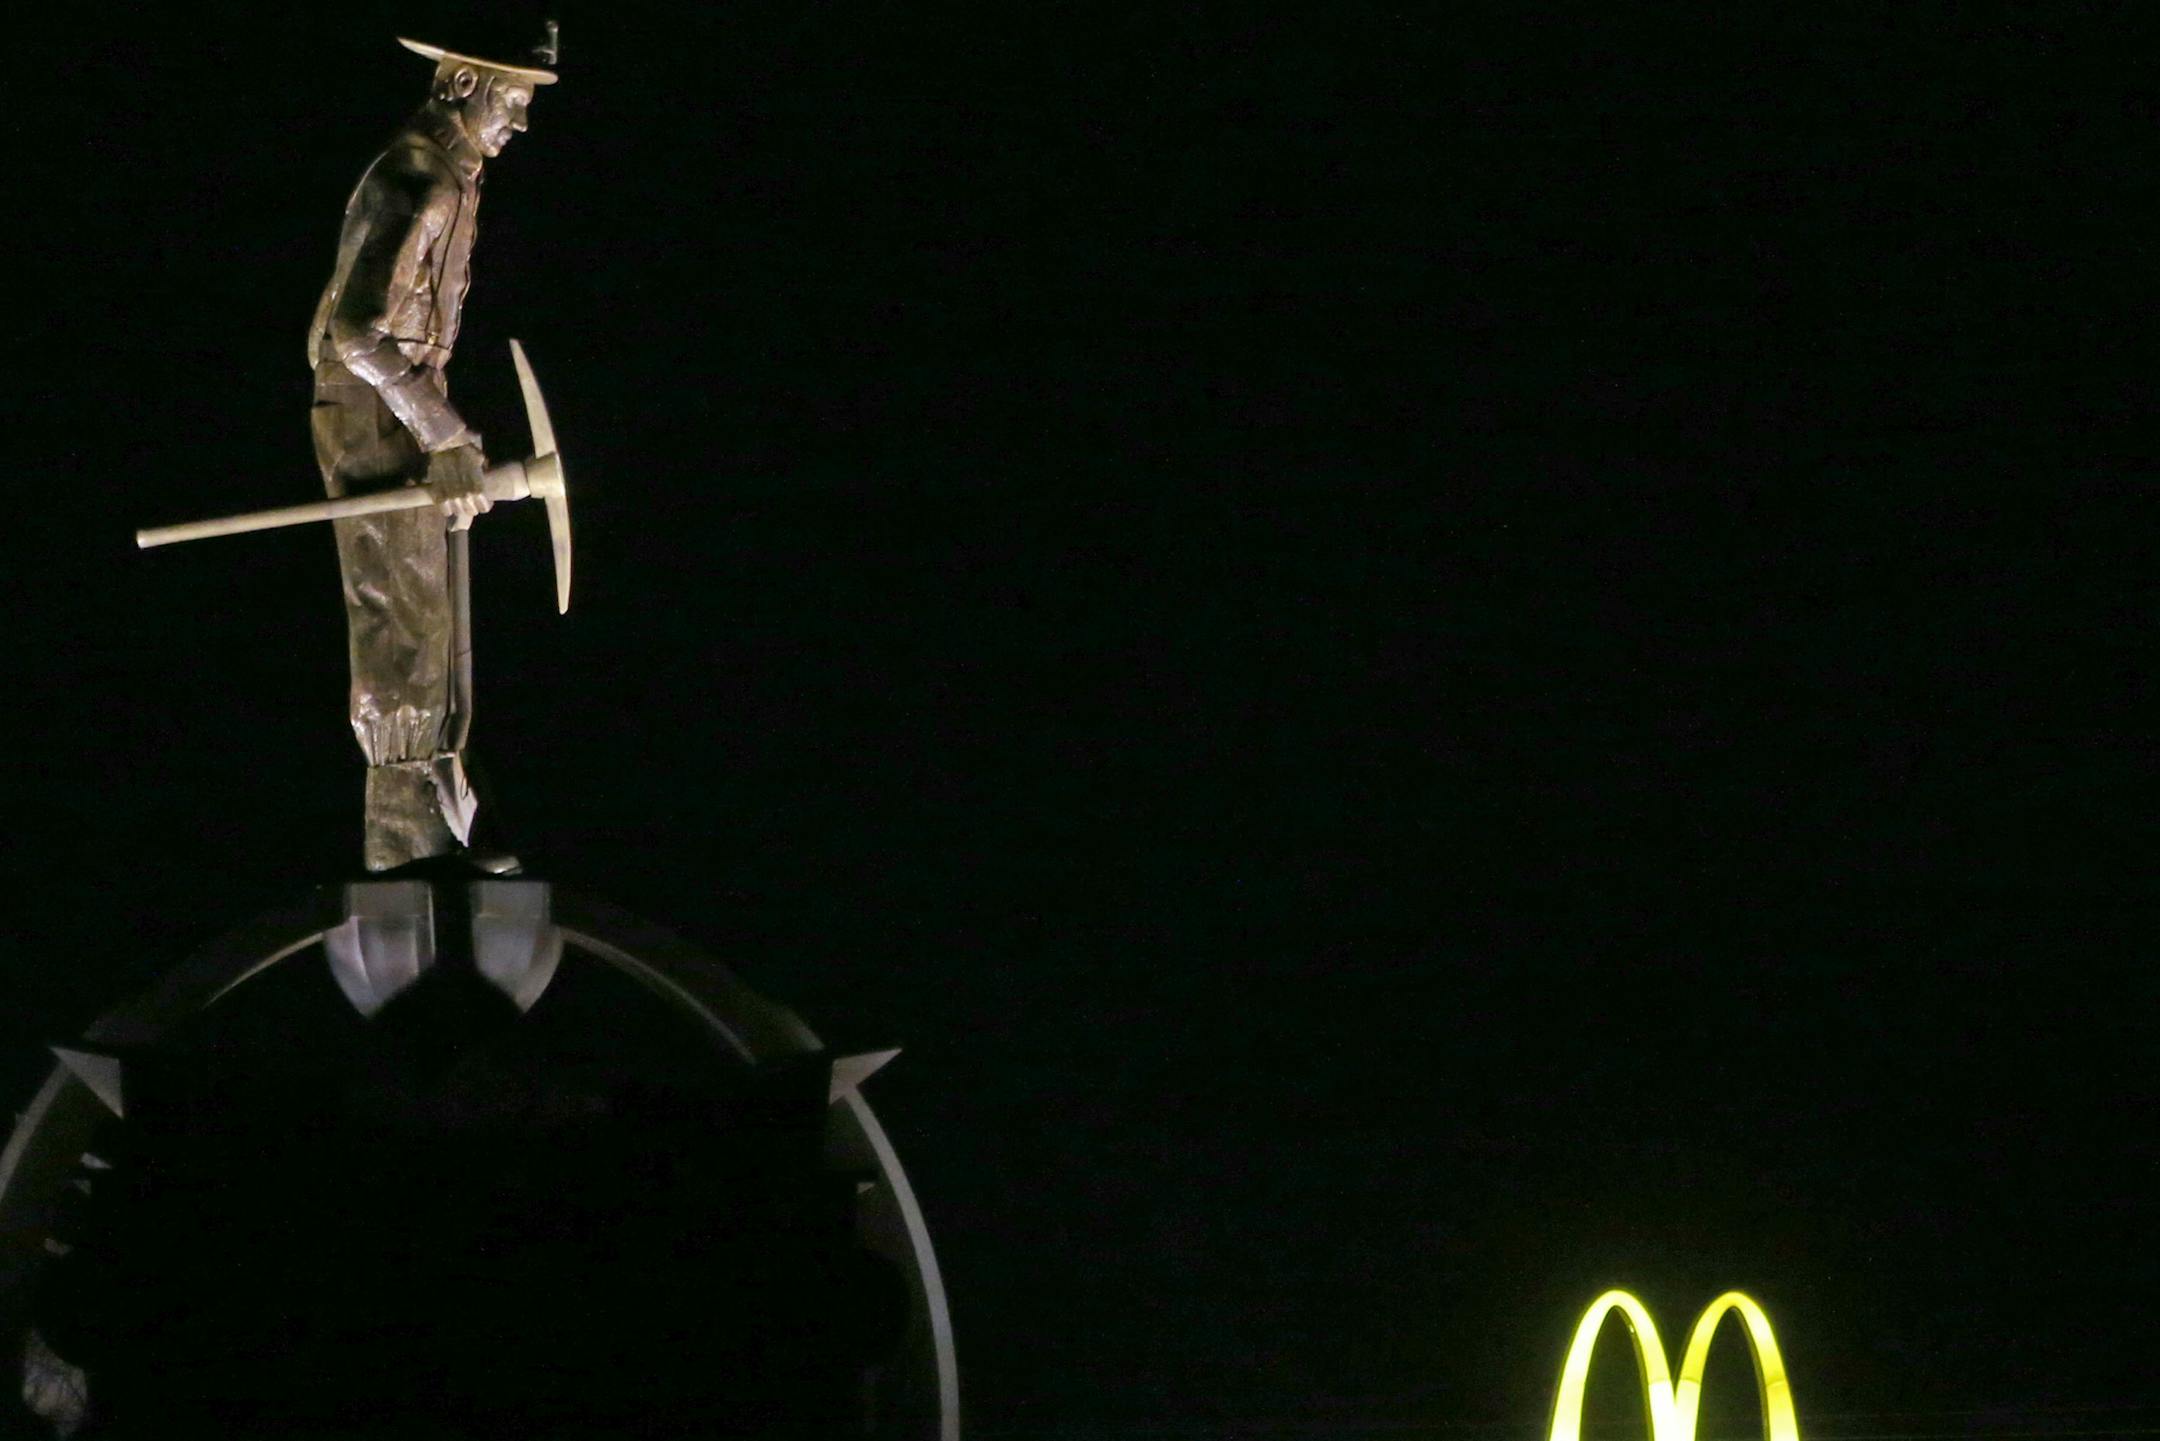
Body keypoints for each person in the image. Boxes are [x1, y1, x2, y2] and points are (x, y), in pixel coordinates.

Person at [307, 28, 557, 871]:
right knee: (400, 607)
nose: (520, 120)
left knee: (430, 602)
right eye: (512, 98)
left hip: (399, 400)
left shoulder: (451, 177)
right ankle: (404, 829)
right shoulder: (419, 178)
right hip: (371, 408)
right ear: (461, 84)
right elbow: (354, 333)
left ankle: (441, 784)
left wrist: (441, 426)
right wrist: (440, 432)